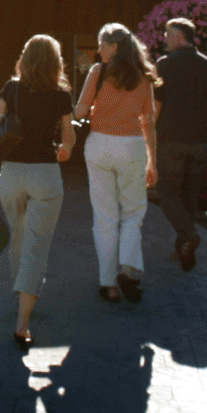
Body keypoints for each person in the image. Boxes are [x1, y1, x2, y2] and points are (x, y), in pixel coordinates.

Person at [0, 35, 77, 352]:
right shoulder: (61, 95)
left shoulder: (10, 89)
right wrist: (65, 149)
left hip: (11, 173)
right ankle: (23, 321)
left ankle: (21, 293)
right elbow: (68, 137)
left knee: (18, 236)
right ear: (56, 62)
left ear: (25, 59)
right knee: (36, 246)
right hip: (45, 174)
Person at [75, 22, 159, 304]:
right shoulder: (144, 77)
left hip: (98, 145)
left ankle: (108, 284)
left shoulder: (98, 73)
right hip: (131, 146)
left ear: (113, 47)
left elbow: (80, 110)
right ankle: (127, 269)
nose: (98, 50)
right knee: (133, 212)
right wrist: (153, 161)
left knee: (104, 217)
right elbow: (148, 121)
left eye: (101, 44)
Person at [153, 17, 207, 272]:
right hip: (202, 142)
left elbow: (157, 106)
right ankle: (182, 248)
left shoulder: (164, 65)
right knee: (189, 196)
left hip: (171, 140)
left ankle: (188, 235)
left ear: (179, 35)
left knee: (168, 195)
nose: (164, 38)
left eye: (167, 33)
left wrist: (148, 135)